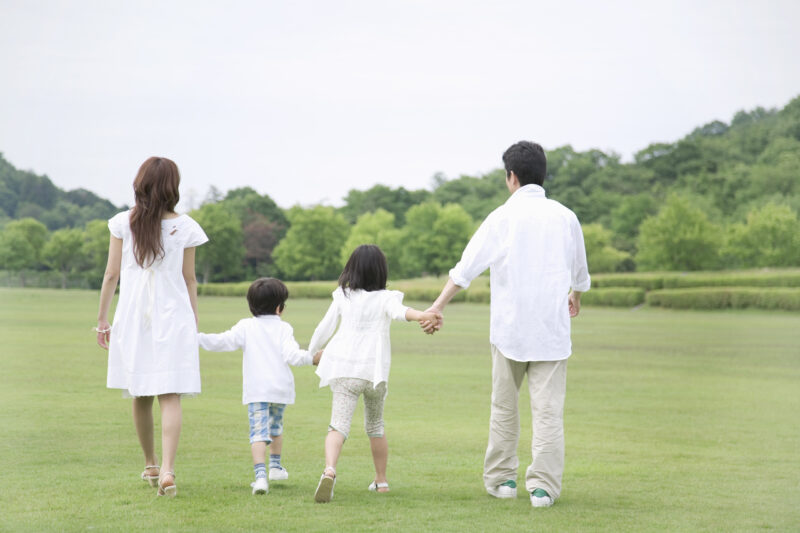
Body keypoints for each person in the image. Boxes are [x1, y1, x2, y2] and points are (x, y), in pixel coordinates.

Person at [422, 141, 590, 508]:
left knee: (504, 407)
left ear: (511, 177)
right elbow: (579, 272)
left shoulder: (501, 218)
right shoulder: (565, 216)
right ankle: (543, 488)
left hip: (510, 330)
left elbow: (464, 270)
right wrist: (575, 297)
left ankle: (503, 481)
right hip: (551, 331)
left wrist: (436, 307)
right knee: (548, 413)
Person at [96, 156, 208, 498]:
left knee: (140, 392)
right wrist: (194, 317)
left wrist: (102, 318)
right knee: (170, 394)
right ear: (172, 186)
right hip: (174, 315)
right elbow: (189, 279)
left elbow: (111, 275)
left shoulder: (122, 223)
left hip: (133, 316)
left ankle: (151, 463)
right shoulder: (185, 226)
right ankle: (169, 472)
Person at [307, 244, 442, 503]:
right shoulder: (386, 298)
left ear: (351, 269)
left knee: (338, 425)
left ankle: (330, 470)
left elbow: (324, 327)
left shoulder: (343, 295)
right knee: (376, 426)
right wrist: (424, 315)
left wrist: (311, 352)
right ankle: (381, 481)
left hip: (345, 370)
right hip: (375, 373)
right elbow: (403, 313)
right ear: (381, 271)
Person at [197, 277, 322, 496]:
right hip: (280, 390)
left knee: (258, 433)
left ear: (251, 305)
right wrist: (312, 358)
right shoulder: (284, 328)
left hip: (257, 391)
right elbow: (293, 355)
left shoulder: (246, 326)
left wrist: (196, 338)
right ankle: (275, 466)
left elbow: (222, 341)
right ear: (279, 307)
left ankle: (261, 477)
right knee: (276, 428)